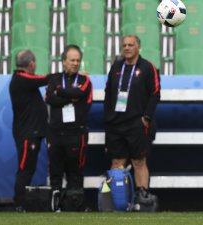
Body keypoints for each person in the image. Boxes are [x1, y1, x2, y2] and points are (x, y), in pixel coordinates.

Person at [104, 34, 160, 211]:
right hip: (116, 124)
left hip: (137, 123)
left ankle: (142, 198)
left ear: (138, 47)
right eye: (124, 45)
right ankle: (118, 201)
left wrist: (147, 118)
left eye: (130, 45)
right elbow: (108, 93)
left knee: (139, 162)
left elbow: (155, 93)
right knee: (116, 162)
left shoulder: (148, 67)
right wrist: (108, 117)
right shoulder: (116, 67)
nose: (127, 48)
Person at [45, 44, 92, 211]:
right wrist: (70, 97)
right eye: (72, 60)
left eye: (78, 60)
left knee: (76, 171)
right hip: (55, 133)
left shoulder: (85, 80)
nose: (75, 63)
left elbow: (81, 94)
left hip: (76, 133)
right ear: (64, 61)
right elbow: (50, 99)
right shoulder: (54, 80)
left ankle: (75, 205)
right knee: (55, 170)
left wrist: (61, 92)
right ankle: (56, 204)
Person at [9, 50, 49, 212]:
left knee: (27, 168)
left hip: (31, 132)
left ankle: (20, 201)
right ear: (32, 63)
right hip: (28, 133)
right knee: (25, 169)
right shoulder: (22, 78)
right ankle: (19, 203)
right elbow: (44, 79)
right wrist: (63, 74)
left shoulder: (21, 80)